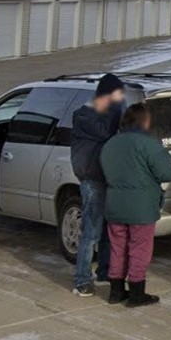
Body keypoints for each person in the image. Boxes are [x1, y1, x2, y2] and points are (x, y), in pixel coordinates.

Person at [99, 101, 171, 307]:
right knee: (139, 249)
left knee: (117, 248)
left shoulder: (110, 144)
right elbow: (167, 173)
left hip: (115, 204)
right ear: (145, 121)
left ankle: (115, 291)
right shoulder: (149, 144)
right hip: (141, 208)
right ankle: (136, 293)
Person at [67, 74, 124, 296]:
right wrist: (117, 111)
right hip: (92, 180)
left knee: (107, 232)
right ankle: (81, 280)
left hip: (107, 179)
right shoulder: (86, 115)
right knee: (90, 232)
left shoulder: (105, 113)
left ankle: (104, 272)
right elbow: (105, 132)